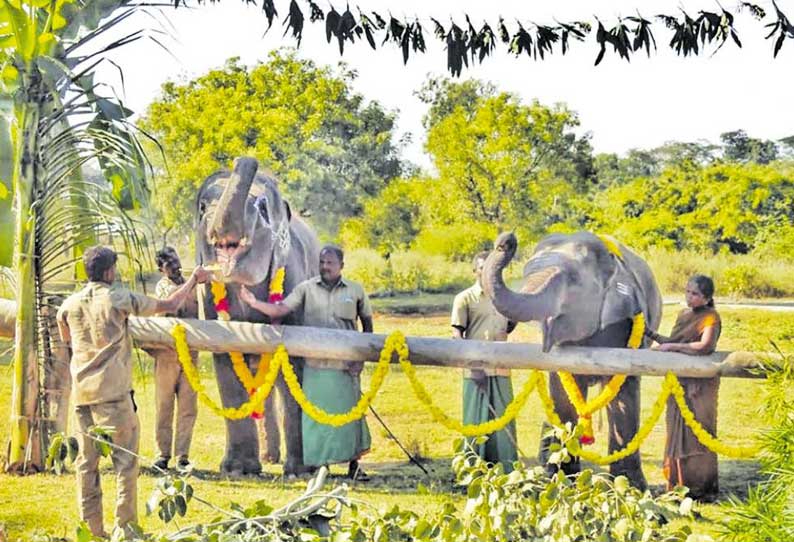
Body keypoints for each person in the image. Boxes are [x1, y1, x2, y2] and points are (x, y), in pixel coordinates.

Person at [57, 246, 209, 537]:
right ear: (109, 272)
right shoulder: (118, 298)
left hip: (82, 397)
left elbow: (65, 336)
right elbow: (170, 304)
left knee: (86, 466)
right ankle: (125, 531)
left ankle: (91, 531)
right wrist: (194, 280)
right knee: (125, 464)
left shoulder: (70, 304)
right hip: (113, 396)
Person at [239, 244, 373, 480]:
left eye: (330, 263)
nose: (325, 267)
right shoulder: (306, 289)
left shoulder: (356, 290)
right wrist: (253, 303)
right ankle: (323, 466)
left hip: (346, 368)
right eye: (322, 263)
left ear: (342, 265)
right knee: (317, 418)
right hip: (315, 367)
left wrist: (360, 358)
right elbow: (280, 310)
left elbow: (367, 325)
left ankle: (354, 466)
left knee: (351, 417)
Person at [646, 274, 722, 501]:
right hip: (678, 383)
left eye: (695, 294)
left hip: (699, 386)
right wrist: (649, 333)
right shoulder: (684, 314)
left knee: (697, 433)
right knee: (675, 431)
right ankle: (676, 485)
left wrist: (672, 346)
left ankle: (699, 489)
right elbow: (672, 342)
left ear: (707, 298)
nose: (689, 297)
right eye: (687, 291)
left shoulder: (711, 317)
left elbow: (704, 346)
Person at [451, 251, 518, 472]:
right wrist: (474, 366)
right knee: (475, 419)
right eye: (482, 268)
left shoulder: (505, 299)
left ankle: (506, 470)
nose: (486, 272)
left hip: (501, 369)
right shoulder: (464, 298)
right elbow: (457, 336)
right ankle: (472, 470)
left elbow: (509, 326)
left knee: (503, 419)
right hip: (475, 370)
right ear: (475, 271)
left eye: (491, 268)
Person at [150, 247, 199, 471]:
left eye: (176, 261)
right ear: (162, 269)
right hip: (167, 355)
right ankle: (162, 454)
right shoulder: (164, 286)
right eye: (169, 264)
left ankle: (182, 455)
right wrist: (194, 282)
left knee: (188, 407)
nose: (176, 266)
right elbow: (172, 303)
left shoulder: (192, 284)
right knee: (164, 405)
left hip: (190, 355)